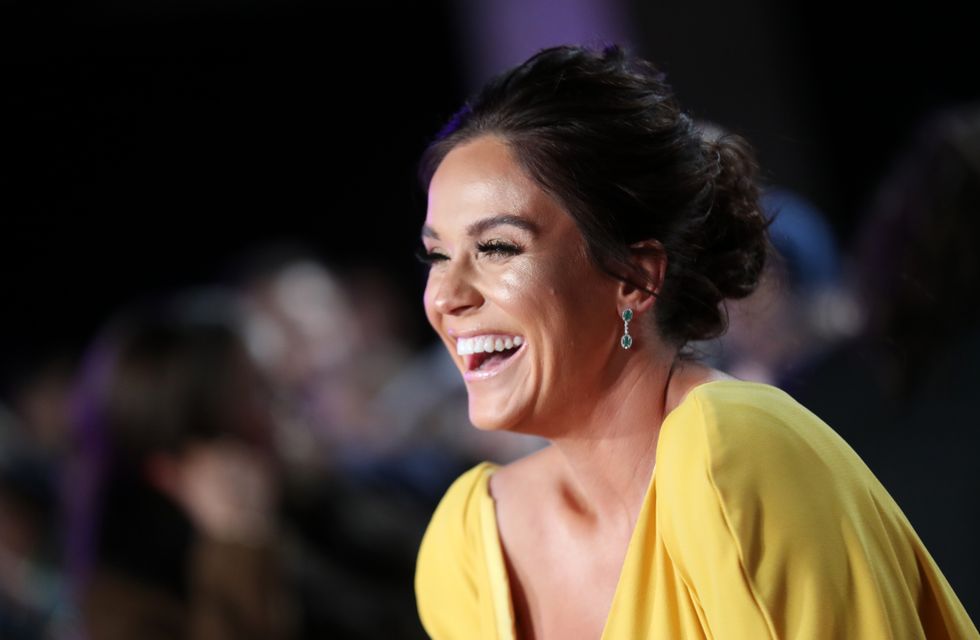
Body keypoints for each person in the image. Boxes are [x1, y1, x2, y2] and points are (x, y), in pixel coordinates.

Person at [412, 44, 978, 639]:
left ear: (634, 277)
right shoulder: (470, 542)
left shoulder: (730, 447)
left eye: (497, 247)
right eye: (437, 255)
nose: (445, 296)